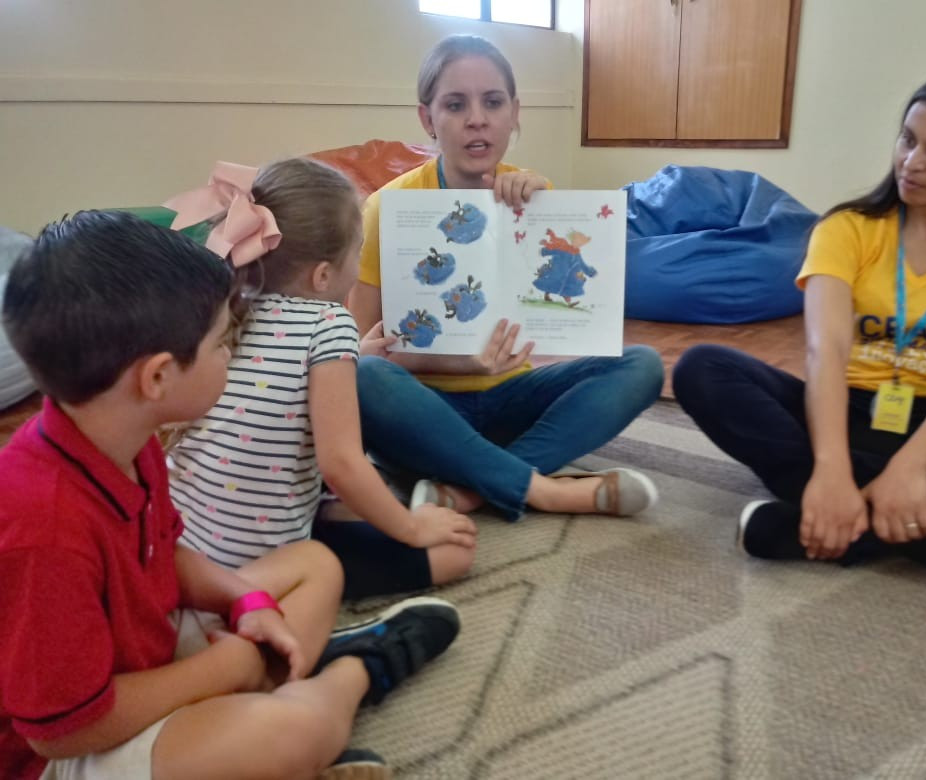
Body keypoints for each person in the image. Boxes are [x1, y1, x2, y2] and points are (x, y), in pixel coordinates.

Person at [0, 210, 462, 780]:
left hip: (146, 653)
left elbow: (165, 553)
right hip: (76, 747)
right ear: (157, 378)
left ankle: (277, 705)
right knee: (290, 734)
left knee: (315, 564)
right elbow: (63, 732)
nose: (230, 354)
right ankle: (355, 673)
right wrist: (229, 667)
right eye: (223, 343)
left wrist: (245, 601)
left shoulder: (123, 435)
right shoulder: (40, 526)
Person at [673, 65, 926, 586]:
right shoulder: (845, 228)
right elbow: (826, 351)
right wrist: (830, 468)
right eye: (908, 139)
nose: (912, 162)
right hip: (840, 412)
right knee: (702, 368)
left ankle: (818, 523)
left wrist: (911, 467)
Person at [348, 34, 664, 522]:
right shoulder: (384, 209)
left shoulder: (536, 196)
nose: (477, 118)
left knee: (642, 365)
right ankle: (545, 490)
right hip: (424, 412)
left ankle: (474, 489)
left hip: (512, 401)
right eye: (456, 104)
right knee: (366, 378)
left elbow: (557, 310)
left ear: (514, 113)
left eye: (493, 102)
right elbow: (353, 354)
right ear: (428, 118)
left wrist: (544, 208)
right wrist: (456, 362)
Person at [163, 158, 478, 599]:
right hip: (250, 566)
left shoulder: (226, 307)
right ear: (324, 275)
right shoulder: (329, 322)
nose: (359, 266)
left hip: (182, 550)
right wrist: (412, 527)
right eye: (358, 251)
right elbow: (341, 464)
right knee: (454, 553)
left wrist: (353, 357)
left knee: (357, 503)